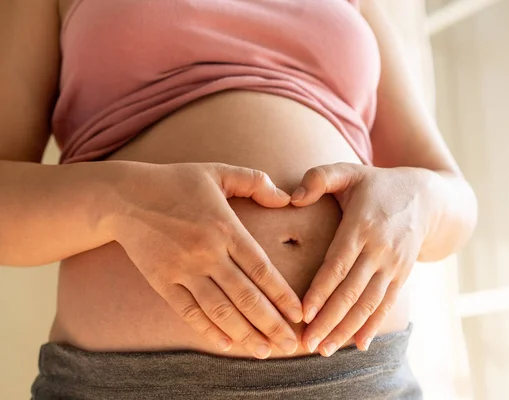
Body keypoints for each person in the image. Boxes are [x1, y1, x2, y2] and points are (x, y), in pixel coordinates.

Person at [0, 0, 477, 398]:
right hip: (131, 385)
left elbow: (454, 200)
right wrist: (123, 201)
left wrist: (416, 202)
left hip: (360, 378)